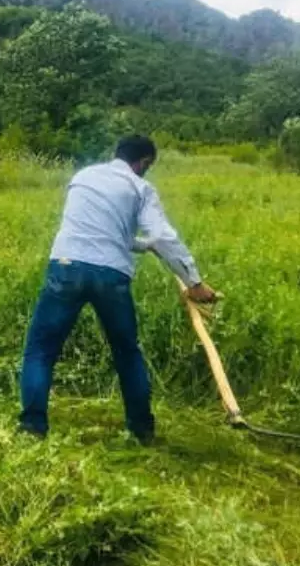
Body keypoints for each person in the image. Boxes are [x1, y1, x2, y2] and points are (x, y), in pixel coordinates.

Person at [18, 135, 217, 444]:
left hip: (66, 266)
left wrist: (142, 245)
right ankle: (142, 431)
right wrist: (195, 283)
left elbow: (100, 228)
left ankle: (32, 428)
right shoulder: (140, 187)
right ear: (144, 162)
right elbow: (163, 236)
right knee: (127, 353)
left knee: (40, 351)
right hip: (110, 275)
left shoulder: (83, 177)